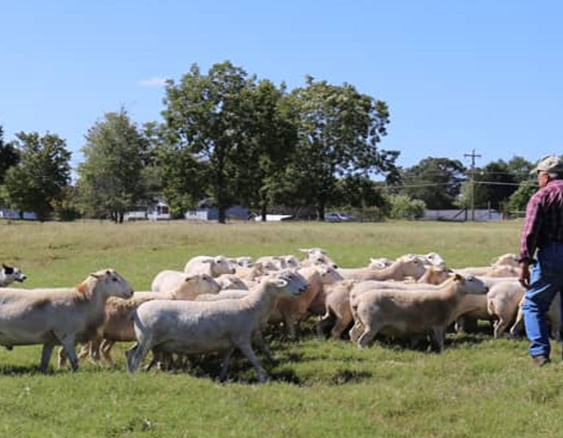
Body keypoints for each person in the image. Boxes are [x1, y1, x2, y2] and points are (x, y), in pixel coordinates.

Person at [519, 155, 563, 366]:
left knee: (534, 304)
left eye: (538, 176)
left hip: (553, 252)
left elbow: (530, 233)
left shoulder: (542, 196)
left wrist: (524, 263)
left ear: (545, 176)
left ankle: (540, 353)